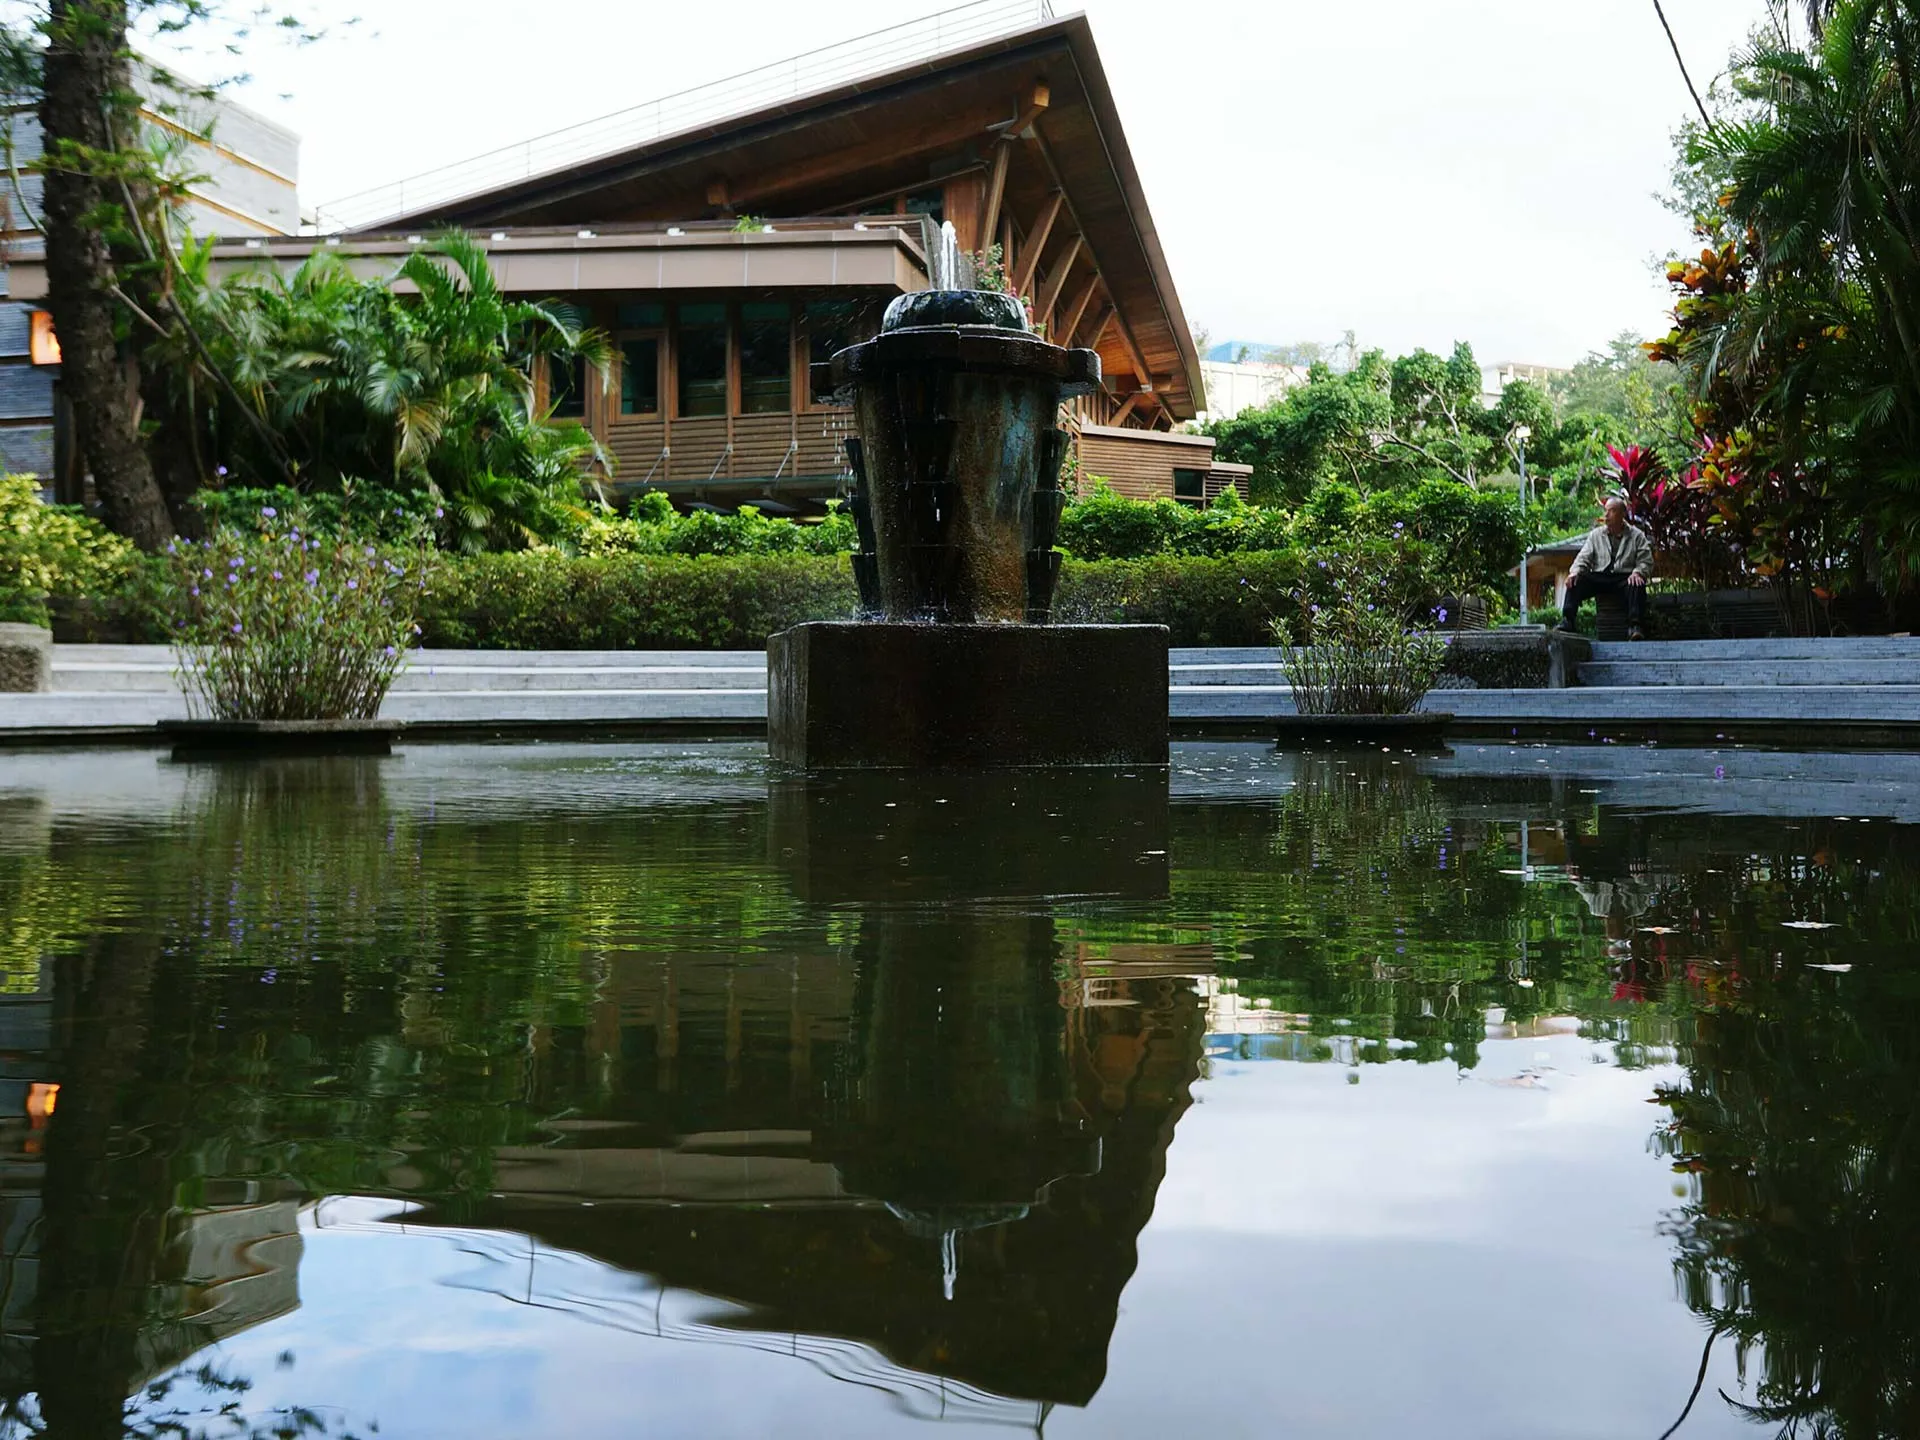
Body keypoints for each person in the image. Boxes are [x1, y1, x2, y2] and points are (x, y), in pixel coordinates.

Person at [1561, 497, 1653, 639]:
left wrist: (1638, 572)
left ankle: (1635, 626)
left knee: (1637, 583)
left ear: (1623, 514)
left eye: (1612, 511)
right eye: (1606, 511)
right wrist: (1575, 572)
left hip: (1624, 577)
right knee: (1576, 580)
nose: (1606, 515)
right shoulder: (1596, 535)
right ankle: (1568, 621)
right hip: (1601, 576)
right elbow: (1583, 557)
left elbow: (1645, 560)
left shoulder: (1636, 536)